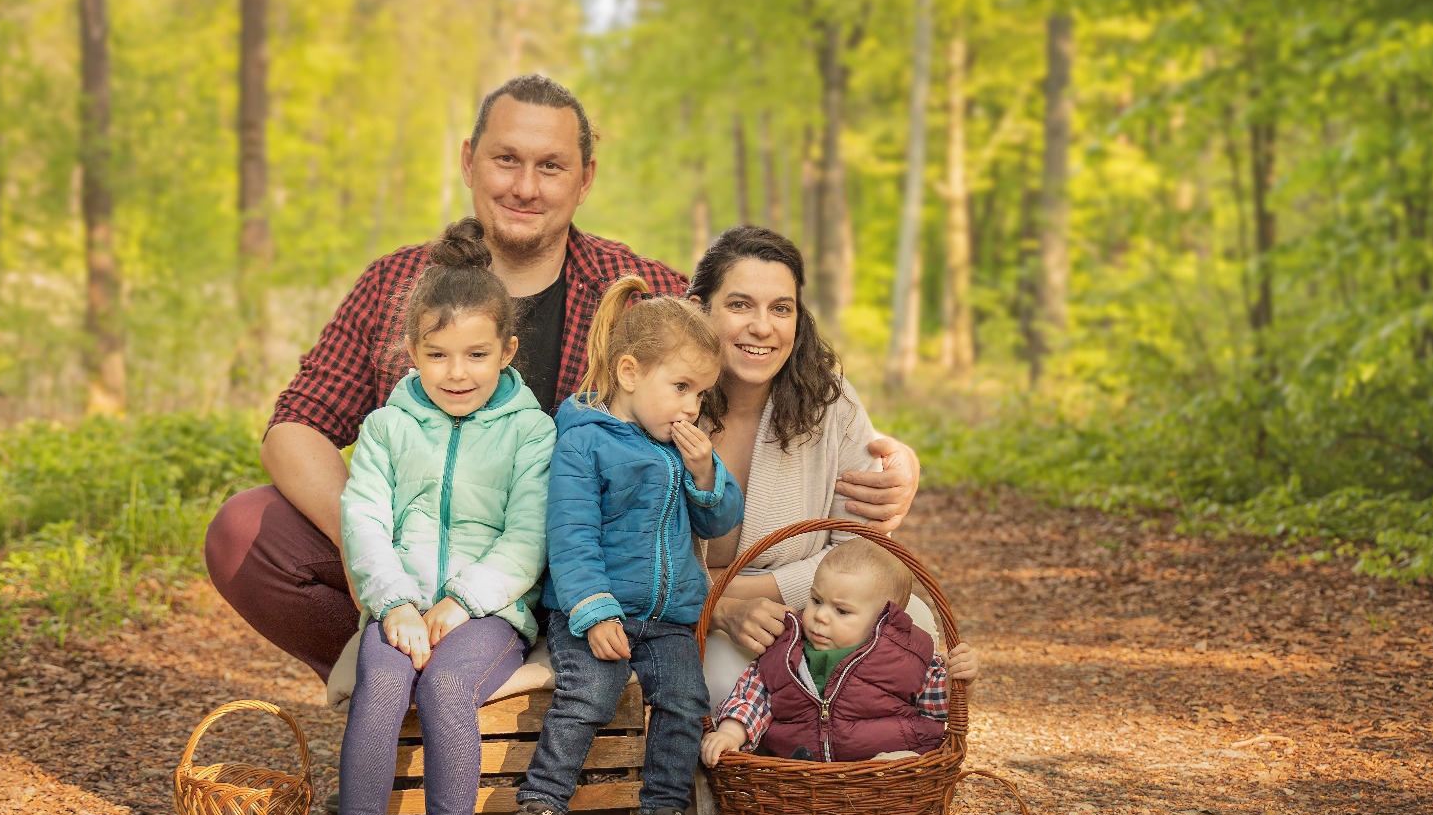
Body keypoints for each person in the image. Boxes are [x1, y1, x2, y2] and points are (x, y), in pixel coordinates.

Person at [202, 76, 920, 689]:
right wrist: (369, 555)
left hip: (587, 572)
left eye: (550, 166)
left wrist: (889, 455)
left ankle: (527, 696)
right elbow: (296, 424)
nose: (524, 185)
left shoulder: (636, 290)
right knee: (244, 533)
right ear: (468, 162)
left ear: (585, 178)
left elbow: (749, 355)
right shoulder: (398, 283)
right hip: (427, 555)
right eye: (506, 159)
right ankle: (404, 686)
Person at [302, 223, 555, 815]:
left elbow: (527, 536)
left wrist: (464, 601)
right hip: (402, 603)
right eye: (437, 354)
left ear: (507, 352)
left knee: (446, 685)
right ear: (411, 352)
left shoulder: (530, 433)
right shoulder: (386, 428)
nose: (456, 371)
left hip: (490, 611)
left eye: (476, 354)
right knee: (382, 680)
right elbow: (365, 521)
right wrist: (394, 603)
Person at [496, 277, 744, 815]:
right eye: (680, 388)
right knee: (591, 694)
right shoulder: (584, 440)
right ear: (630, 373)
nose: (691, 407)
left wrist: (704, 470)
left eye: (701, 393)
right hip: (593, 609)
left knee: (685, 700)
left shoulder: (682, 448)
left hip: (667, 617)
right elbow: (570, 537)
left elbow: (719, 522)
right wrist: (594, 611)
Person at [688, 225, 928, 697]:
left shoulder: (830, 403)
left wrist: (735, 588)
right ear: (700, 310)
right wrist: (719, 609)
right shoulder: (661, 403)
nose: (763, 327)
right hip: (693, 620)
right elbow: (632, 559)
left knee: (916, 625)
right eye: (739, 305)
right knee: (734, 685)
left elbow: (862, 550)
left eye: (781, 308)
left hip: (819, 610)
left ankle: (884, 769)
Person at [701, 538, 978, 766]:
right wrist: (730, 732)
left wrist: (961, 681)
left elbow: (939, 705)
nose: (820, 616)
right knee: (779, 768)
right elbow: (752, 699)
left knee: (901, 764)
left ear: (885, 620)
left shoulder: (906, 657)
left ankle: (888, 804)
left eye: (841, 610)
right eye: (816, 600)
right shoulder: (784, 651)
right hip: (802, 768)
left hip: (885, 764)